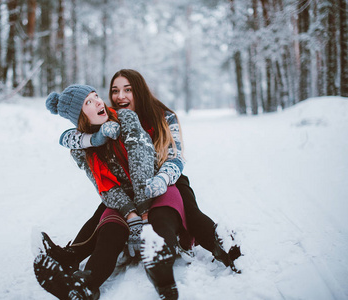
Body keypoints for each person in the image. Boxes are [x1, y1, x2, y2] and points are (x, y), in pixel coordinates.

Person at [54, 69, 242, 271]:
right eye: (115, 90)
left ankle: (223, 245)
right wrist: (94, 139)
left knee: (190, 210)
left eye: (128, 90)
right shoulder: (109, 118)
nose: (120, 96)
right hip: (128, 185)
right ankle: (70, 255)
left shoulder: (164, 117)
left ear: (140, 91)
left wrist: (162, 178)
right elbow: (71, 134)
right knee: (102, 215)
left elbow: (175, 155)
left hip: (166, 177)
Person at [35, 84, 188, 300]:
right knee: (109, 233)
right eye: (88, 102)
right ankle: (84, 286)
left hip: (154, 186)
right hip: (125, 198)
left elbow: (141, 164)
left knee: (161, 223)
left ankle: (163, 277)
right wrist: (128, 213)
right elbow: (104, 186)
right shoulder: (82, 148)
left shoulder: (125, 119)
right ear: (80, 115)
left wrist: (142, 213)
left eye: (96, 96)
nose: (99, 101)